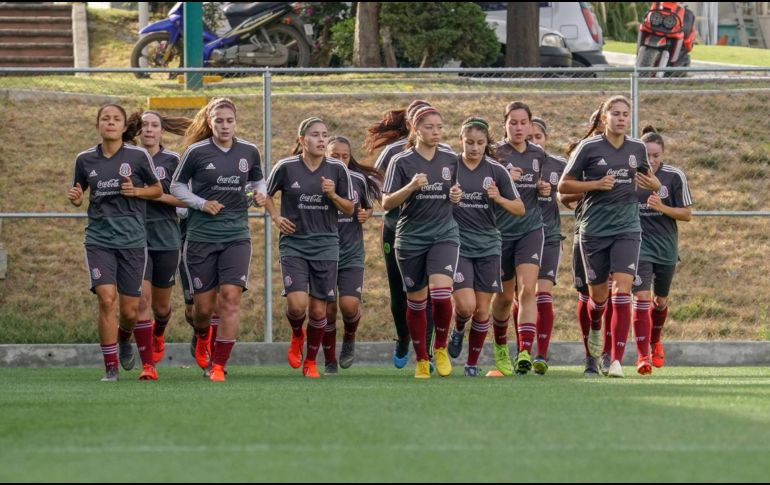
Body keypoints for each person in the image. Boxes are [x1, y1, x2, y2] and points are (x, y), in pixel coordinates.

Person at [558, 95, 661, 378]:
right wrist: (595, 184)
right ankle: (595, 326)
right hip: (594, 229)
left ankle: (615, 359)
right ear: (604, 118)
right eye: (615, 113)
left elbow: (651, 181)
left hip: (628, 228)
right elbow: (563, 185)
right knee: (598, 299)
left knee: (622, 292)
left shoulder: (637, 148)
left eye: (625, 114)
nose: (621, 118)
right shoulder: (588, 147)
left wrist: (654, 183)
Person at [171, 97, 266, 382]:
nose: (225, 126)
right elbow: (176, 186)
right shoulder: (196, 152)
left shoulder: (249, 151)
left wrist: (259, 194)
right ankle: (202, 335)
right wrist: (201, 204)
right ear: (209, 123)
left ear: (236, 122)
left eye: (229, 120)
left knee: (231, 298)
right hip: (201, 236)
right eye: (219, 121)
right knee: (203, 309)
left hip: (236, 235)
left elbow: (258, 181)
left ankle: (218, 365)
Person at [68, 103, 162, 381]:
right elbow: (78, 193)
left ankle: (124, 338)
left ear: (123, 127)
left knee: (130, 312)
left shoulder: (138, 155)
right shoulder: (84, 159)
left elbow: (157, 190)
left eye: (116, 119)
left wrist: (137, 191)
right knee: (107, 300)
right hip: (99, 240)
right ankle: (111, 368)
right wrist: (76, 199)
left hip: (132, 241)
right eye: (105, 118)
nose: (110, 122)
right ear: (98, 125)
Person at [265, 117, 354, 378]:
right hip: (294, 243)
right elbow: (265, 194)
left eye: (324, 135)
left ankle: (311, 362)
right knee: (297, 306)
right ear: (302, 140)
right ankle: (297, 335)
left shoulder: (337, 169)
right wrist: (276, 217)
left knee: (318, 310)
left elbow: (350, 208)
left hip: (326, 244)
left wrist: (333, 195)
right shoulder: (285, 167)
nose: (321, 139)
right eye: (315, 135)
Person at [382, 105, 463, 379]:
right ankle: (421, 359)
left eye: (440, 127)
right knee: (415, 302)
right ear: (416, 129)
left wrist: (456, 195)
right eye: (430, 127)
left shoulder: (450, 158)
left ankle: (439, 347)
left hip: (444, 234)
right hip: (410, 237)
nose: (436, 132)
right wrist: (411, 187)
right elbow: (386, 202)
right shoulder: (401, 161)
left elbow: (454, 190)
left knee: (441, 295)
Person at [446, 117, 524, 377]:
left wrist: (499, 198)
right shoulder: (449, 167)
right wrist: (449, 197)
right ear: (461, 141)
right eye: (469, 142)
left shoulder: (496, 171)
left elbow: (519, 208)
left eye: (480, 143)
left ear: (486, 143)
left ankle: (471, 363)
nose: (474, 148)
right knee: (466, 306)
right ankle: (458, 328)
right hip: (457, 243)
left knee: (481, 310)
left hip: (488, 245)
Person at [367, 99, 439, 368]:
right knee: (400, 292)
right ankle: (403, 337)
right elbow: (375, 188)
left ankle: (427, 350)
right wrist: (403, 193)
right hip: (396, 229)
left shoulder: (442, 152)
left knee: (431, 292)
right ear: (410, 124)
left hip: (432, 231)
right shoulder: (393, 152)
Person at [125, 110, 190, 368]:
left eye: (155, 125)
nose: (149, 129)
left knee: (161, 309)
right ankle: (148, 366)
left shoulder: (173, 160)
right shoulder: (128, 158)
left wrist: (152, 194)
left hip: (166, 238)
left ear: (162, 131)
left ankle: (159, 331)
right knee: (142, 300)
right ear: (139, 130)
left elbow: (185, 201)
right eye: (145, 125)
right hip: (135, 237)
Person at [490, 101, 551, 376]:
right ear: (504, 124)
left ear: (530, 124)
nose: (518, 127)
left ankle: (525, 350)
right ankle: (501, 346)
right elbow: (481, 189)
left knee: (528, 289)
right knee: (504, 297)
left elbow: (541, 186)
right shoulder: (495, 154)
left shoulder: (538, 154)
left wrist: (543, 188)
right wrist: (504, 180)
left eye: (523, 122)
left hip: (531, 229)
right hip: (501, 232)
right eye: (512, 122)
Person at [633, 126, 692, 372]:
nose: (651, 160)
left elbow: (686, 214)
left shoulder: (674, 176)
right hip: (638, 246)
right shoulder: (630, 176)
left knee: (660, 301)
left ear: (663, 154)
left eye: (656, 155)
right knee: (641, 297)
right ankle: (642, 356)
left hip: (666, 246)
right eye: (647, 155)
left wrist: (662, 207)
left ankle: (655, 341)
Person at [321, 136, 381, 374]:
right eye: (334, 156)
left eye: (345, 156)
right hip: (323, 252)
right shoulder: (317, 179)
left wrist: (366, 214)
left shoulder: (357, 180)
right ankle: (329, 361)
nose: (340, 160)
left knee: (349, 305)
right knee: (327, 309)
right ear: (325, 155)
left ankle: (349, 336)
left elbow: (367, 207)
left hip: (351, 250)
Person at [528, 116, 568, 374]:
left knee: (543, 294)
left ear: (546, 139)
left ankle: (541, 354)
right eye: (529, 137)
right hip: (519, 237)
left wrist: (560, 193)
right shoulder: (508, 163)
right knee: (520, 296)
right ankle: (523, 350)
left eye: (538, 137)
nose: (534, 142)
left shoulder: (558, 165)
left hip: (550, 236)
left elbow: (571, 194)